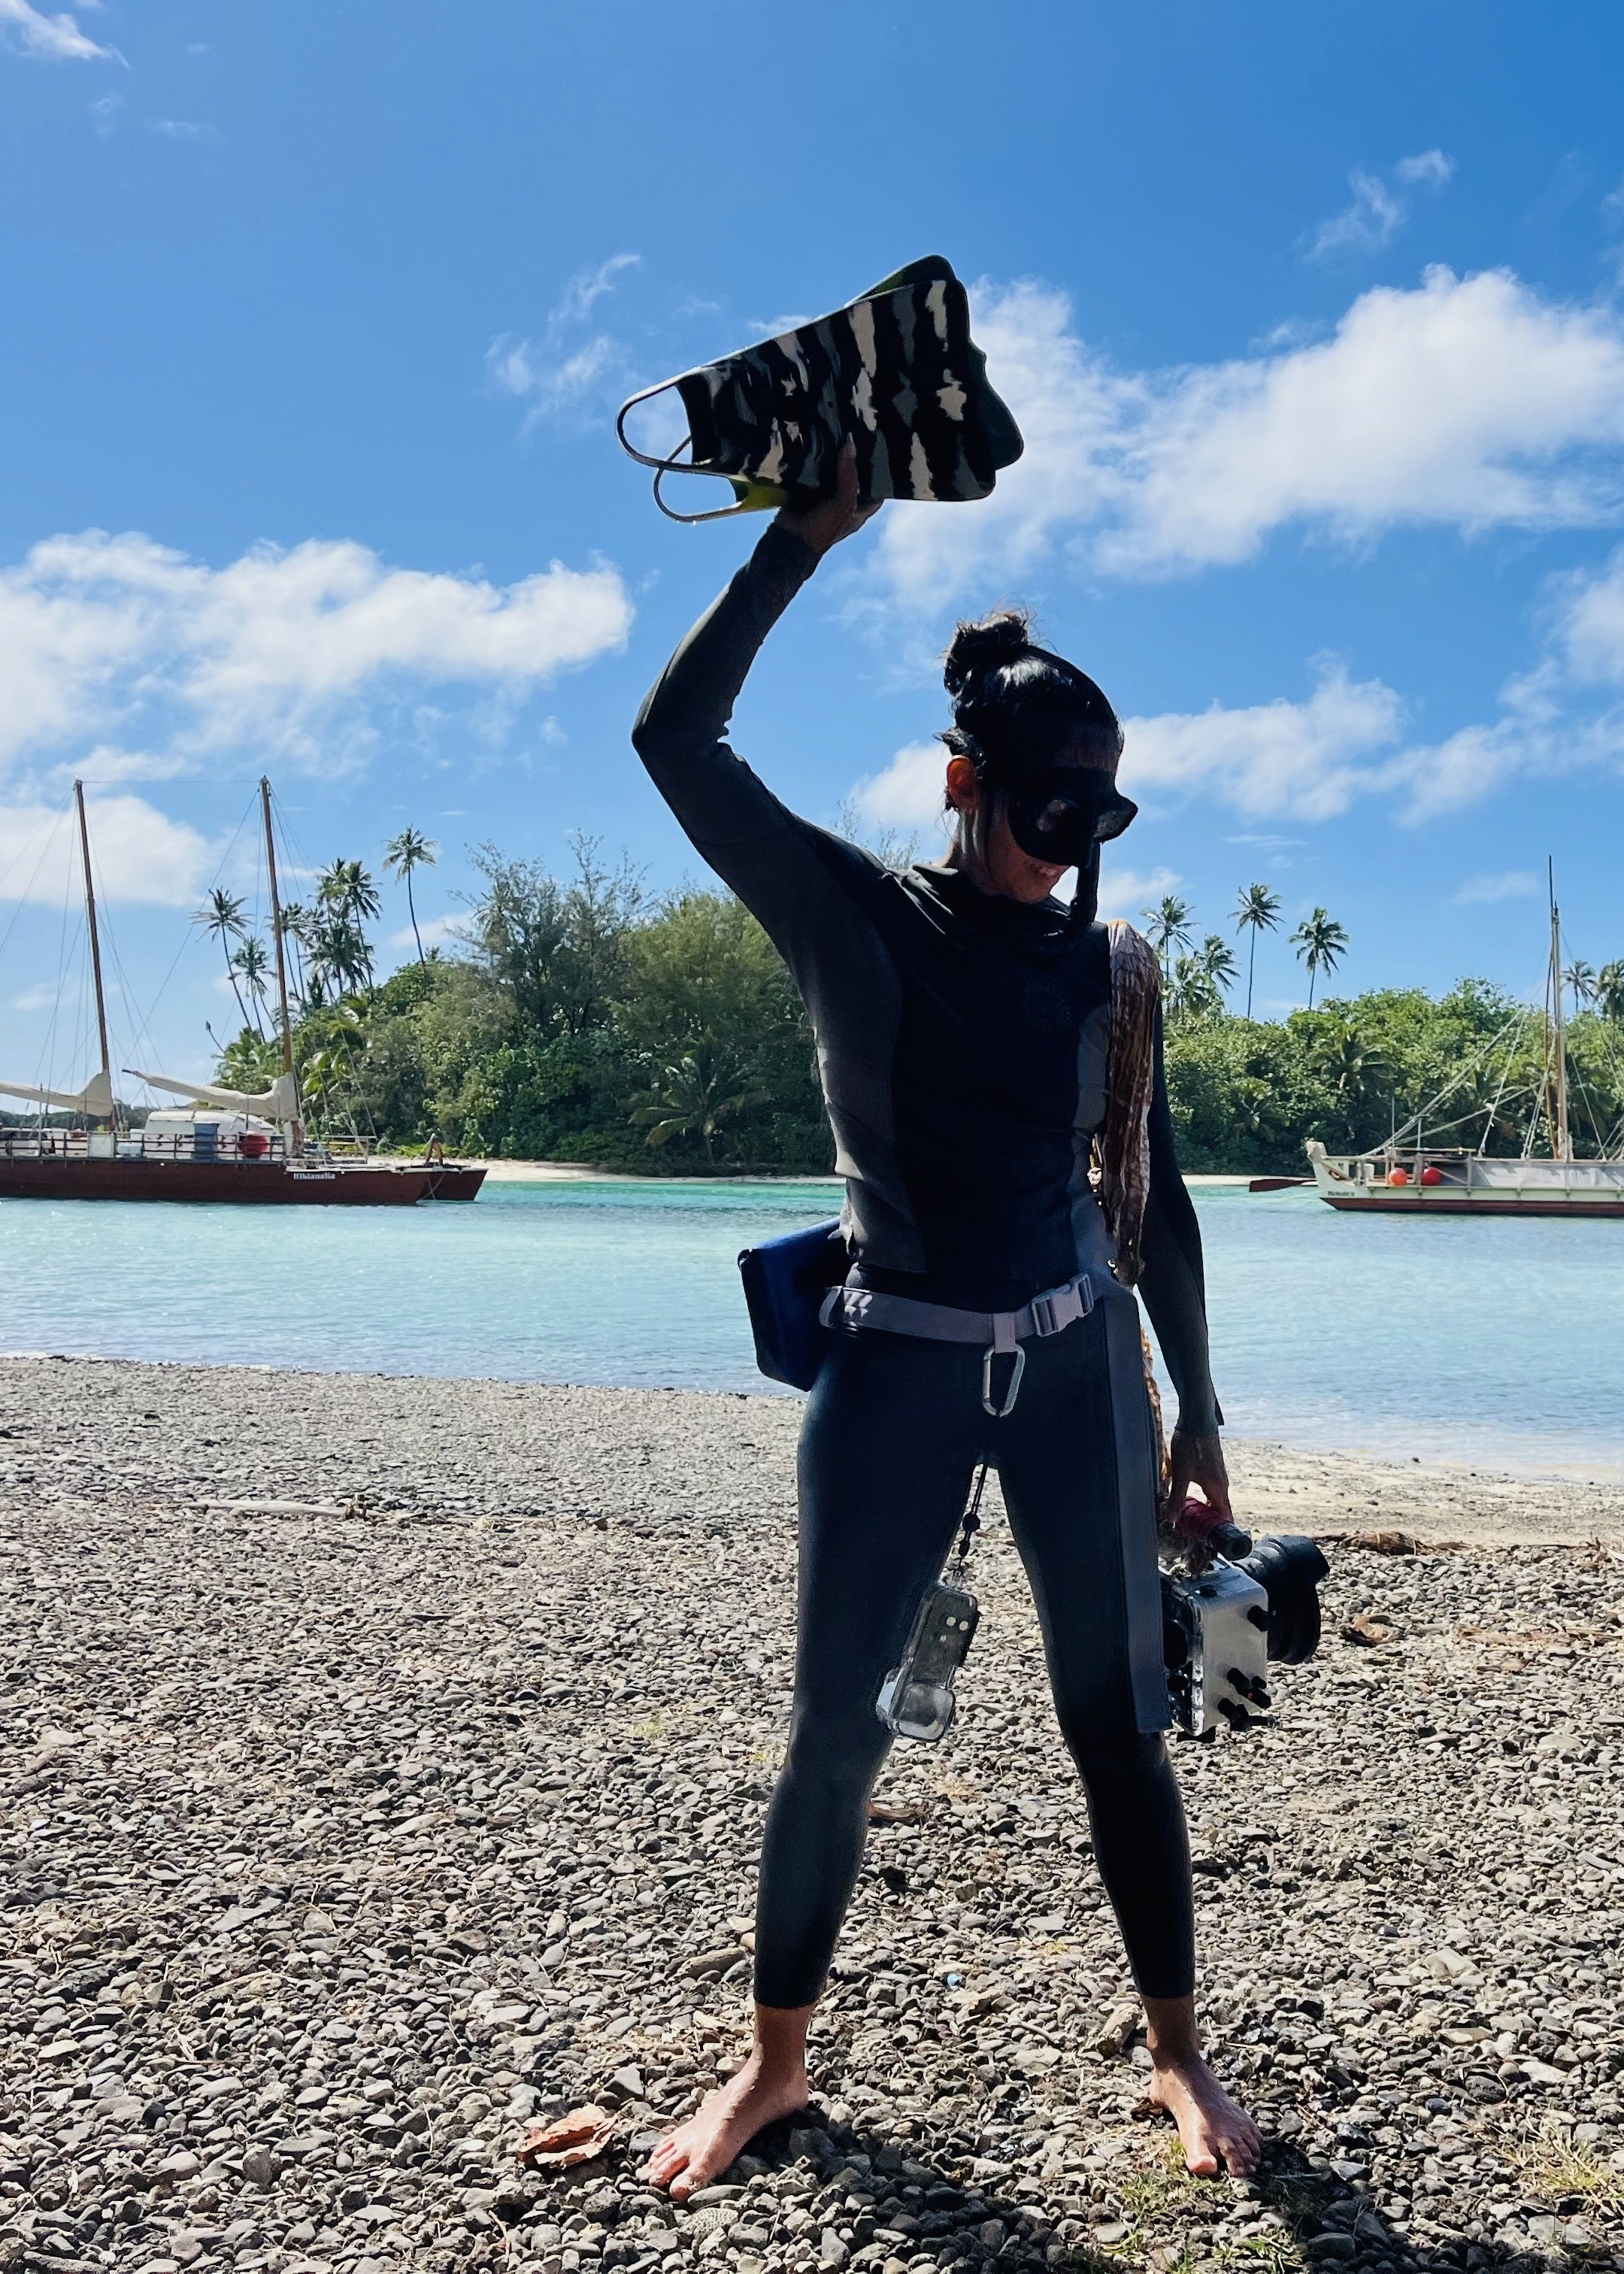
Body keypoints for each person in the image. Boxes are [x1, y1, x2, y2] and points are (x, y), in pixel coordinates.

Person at [578, 445, 1260, 2194]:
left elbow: (1158, 1198)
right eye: (1042, 815)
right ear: (968, 782)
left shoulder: (1108, 972)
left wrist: (1200, 1414)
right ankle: (775, 2068)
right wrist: (799, 543)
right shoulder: (854, 920)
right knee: (837, 1732)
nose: (1064, 856)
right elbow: (676, 747)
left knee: (1118, 1717)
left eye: (1096, 824)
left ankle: (1181, 2054)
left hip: (1081, 1367)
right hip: (892, 1372)